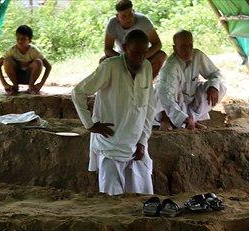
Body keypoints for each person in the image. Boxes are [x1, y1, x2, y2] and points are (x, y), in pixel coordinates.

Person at [73, 29, 158, 196]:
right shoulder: (110, 66)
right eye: (135, 53)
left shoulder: (146, 67)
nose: (140, 58)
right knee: (112, 199)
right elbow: (78, 92)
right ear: (125, 48)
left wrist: (143, 141)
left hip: (135, 145)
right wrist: (89, 124)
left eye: (144, 53)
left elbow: (148, 108)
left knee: (142, 199)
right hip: (110, 146)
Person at [156, 30, 225, 131]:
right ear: (175, 48)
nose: (188, 50)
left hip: (189, 104)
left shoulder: (197, 55)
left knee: (220, 86)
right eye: (183, 46)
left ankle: (191, 120)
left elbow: (215, 74)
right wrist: (182, 117)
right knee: (166, 92)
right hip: (171, 104)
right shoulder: (170, 67)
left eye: (190, 45)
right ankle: (166, 120)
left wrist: (213, 86)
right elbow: (166, 96)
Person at [102, 1, 167, 79]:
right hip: (122, 55)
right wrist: (123, 59)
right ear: (117, 17)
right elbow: (107, 49)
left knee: (161, 56)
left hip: (142, 54)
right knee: (103, 61)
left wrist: (142, 56)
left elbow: (157, 44)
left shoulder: (143, 21)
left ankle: (147, 84)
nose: (128, 18)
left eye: (130, 14)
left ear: (134, 12)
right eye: (123, 16)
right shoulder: (112, 24)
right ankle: (115, 87)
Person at [0, 25, 51, 95]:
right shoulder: (12, 50)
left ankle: (31, 87)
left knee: (38, 62)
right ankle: (15, 87)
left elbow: (48, 66)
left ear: (29, 41)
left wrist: (41, 83)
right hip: (16, 78)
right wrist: (4, 84)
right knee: (7, 60)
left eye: (23, 39)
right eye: (18, 38)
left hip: (29, 77)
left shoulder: (34, 51)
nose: (20, 41)